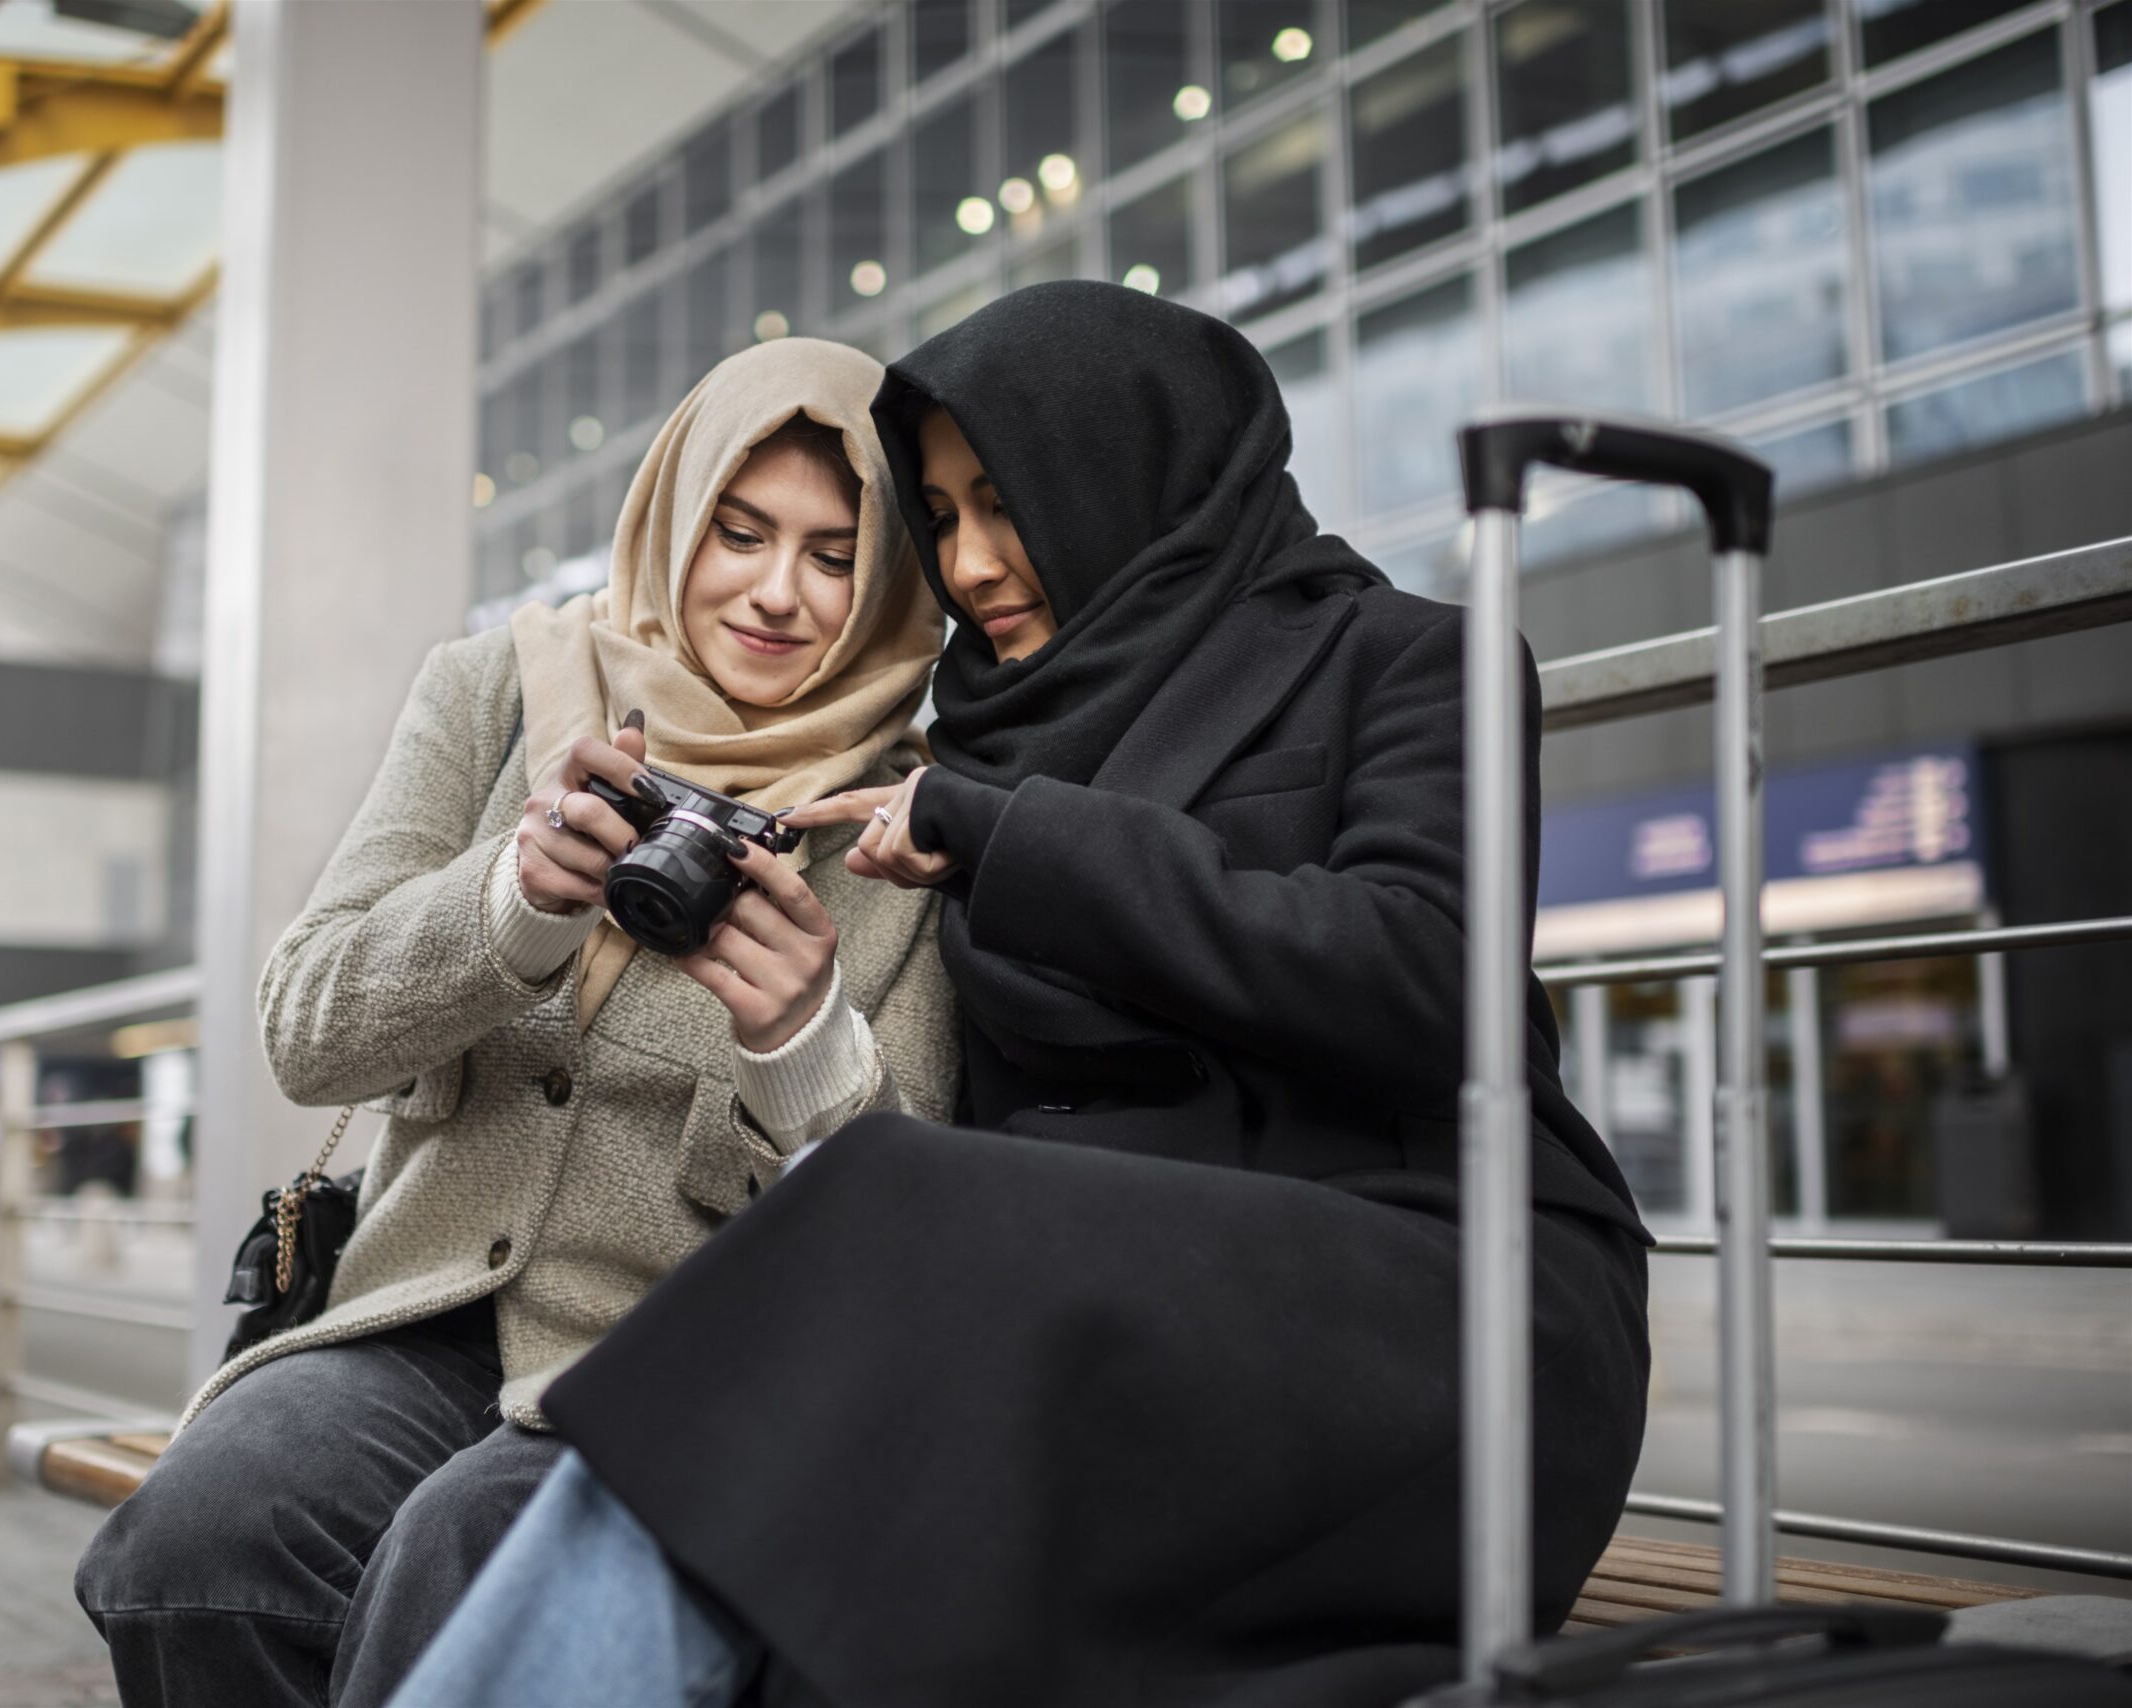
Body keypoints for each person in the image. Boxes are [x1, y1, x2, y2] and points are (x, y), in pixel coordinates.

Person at [388, 281, 1654, 1708]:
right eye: (939, 516)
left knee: (866, 1253)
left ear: (1124, 470)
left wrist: (1018, 837)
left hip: (1423, 1306)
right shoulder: (977, 738)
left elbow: (1432, 982)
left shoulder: (1402, 661)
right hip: (1106, 1348)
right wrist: (797, 1014)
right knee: (597, 1535)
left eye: (1006, 501)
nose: (973, 561)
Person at [73, 337, 955, 1708]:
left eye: (837, 557)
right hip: (424, 1311)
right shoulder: (500, 697)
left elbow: (915, 1232)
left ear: (895, 573)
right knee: (194, 1547)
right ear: (674, 514)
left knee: (457, 1566)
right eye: (738, 531)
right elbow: (307, 1030)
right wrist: (511, 906)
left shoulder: (916, 814)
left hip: (680, 1367)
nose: (779, 593)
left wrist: (804, 1042)